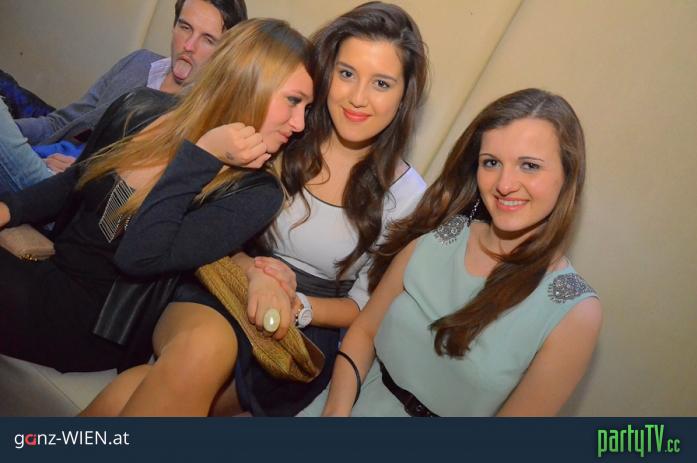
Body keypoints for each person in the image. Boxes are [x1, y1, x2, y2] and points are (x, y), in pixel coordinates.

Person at [82, 1, 428, 417]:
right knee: (202, 349)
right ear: (327, 72)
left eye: (382, 83)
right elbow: (200, 209)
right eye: (347, 73)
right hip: (219, 281)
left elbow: (365, 309)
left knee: (141, 387)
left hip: (302, 326)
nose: (358, 98)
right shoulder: (285, 129)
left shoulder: (407, 194)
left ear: (405, 94)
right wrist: (252, 272)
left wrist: (296, 305)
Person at [0, 18, 313, 387]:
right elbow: (74, 181)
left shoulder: (255, 192)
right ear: (248, 82)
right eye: (294, 101)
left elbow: (139, 256)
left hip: (90, 323)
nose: (300, 123)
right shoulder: (142, 107)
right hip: (50, 269)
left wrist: (201, 155)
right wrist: (8, 209)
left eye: (306, 107)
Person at [302, 88, 603, 417]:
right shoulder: (439, 237)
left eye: (529, 166)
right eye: (491, 163)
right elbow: (364, 331)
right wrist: (336, 411)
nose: (504, 184)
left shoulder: (573, 313)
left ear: (568, 175)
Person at [0, 0, 247, 194]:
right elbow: (61, 122)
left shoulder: (209, 121)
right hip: (43, 162)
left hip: (72, 199)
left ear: (225, 54)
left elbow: (149, 198)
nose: (189, 46)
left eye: (208, 39)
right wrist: (12, 131)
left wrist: (81, 173)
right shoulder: (138, 63)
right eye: (185, 27)